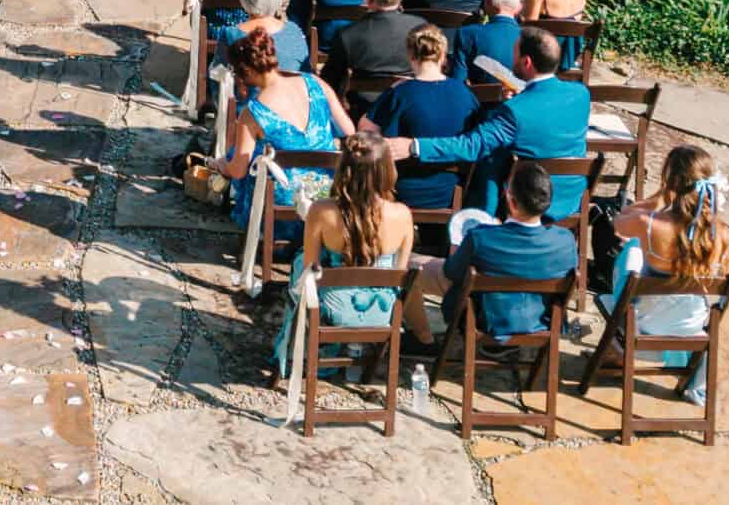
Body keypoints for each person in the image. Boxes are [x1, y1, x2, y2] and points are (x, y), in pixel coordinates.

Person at [388, 27, 591, 220]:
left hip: (530, 199)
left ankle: (481, 221)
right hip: (571, 196)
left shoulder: (515, 111)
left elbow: (471, 146)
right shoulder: (581, 94)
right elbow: (545, 116)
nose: (511, 59)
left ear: (527, 62)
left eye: (514, 54)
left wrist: (414, 146)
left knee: (489, 163)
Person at [602, 144, 729, 404]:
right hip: (690, 326)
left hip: (644, 325)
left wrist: (661, 195)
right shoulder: (726, 235)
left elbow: (619, 221)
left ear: (671, 182)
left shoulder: (649, 225)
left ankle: (616, 352)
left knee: (631, 251)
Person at [273, 125, 412, 378]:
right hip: (382, 314)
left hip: (332, 309)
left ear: (343, 168)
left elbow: (310, 271)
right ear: (387, 171)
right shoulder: (403, 214)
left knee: (301, 261)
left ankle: (304, 347)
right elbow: (399, 273)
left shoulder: (322, 211)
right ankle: (359, 353)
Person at [406, 160, 578, 348]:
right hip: (539, 320)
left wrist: (458, 248)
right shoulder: (566, 241)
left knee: (407, 265)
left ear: (511, 201)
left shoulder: (482, 237)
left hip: (486, 319)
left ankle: (421, 338)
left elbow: (451, 272)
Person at [212, 24, 352, 228]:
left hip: (281, 205)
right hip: (326, 198)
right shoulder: (315, 83)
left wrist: (222, 165)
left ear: (247, 70)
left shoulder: (253, 113)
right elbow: (349, 131)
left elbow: (239, 170)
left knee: (247, 163)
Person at [367, 22, 479, 211]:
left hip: (401, 193)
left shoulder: (400, 93)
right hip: (451, 192)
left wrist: (388, 92)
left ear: (411, 56)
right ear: (443, 56)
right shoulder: (465, 94)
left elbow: (368, 131)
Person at [319, 0, 426, 97]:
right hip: (409, 102)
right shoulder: (420, 27)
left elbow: (330, 81)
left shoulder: (347, 34)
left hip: (363, 106)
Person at [215, 0, 310, 82]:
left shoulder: (231, 34)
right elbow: (306, 74)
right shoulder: (294, 31)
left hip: (246, 93)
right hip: (292, 92)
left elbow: (217, 77)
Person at [450, 0, 523, 79]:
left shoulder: (467, 34)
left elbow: (458, 81)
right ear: (519, 6)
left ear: (487, 0)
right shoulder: (532, 38)